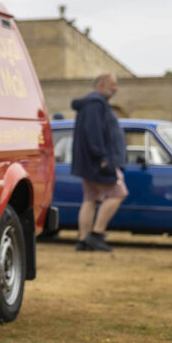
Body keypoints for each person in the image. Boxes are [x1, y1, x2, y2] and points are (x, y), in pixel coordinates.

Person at [70, 73, 127, 252]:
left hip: (90, 163)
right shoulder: (95, 104)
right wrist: (103, 157)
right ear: (102, 85)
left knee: (90, 199)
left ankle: (83, 239)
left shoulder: (92, 104)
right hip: (99, 162)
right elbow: (93, 133)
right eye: (113, 84)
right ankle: (97, 234)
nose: (115, 88)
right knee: (119, 193)